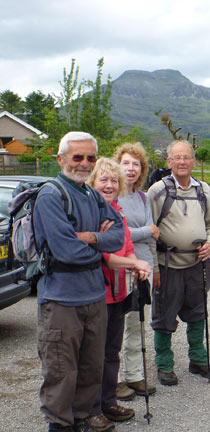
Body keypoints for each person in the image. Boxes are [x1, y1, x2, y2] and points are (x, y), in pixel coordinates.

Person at [33, 132, 124, 432]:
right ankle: (60, 425)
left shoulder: (92, 194)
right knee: (61, 369)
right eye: (77, 157)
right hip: (61, 299)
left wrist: (91, 237)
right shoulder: (51, 195)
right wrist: (99, 242)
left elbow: (118, 236)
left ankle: (85, 416)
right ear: (60, 159)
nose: (84, 164)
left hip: (94, 295)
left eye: (90, 158)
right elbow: (66, 251)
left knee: (90, 365)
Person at [148, 140, 210, 386]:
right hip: (168, 265)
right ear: (168, 162)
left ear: (193, 162)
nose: (182, 162)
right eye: (176, 158)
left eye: (186, 157)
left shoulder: (204, 190)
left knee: (197, 313)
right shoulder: (158, 191)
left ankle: (198, 360)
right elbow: (149, 230)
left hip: (196, 264)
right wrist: (154, 268)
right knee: (164, 317)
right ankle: (165, 365)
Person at [86, 158, 151, 431]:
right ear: (93, 182)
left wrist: (137, 262)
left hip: (119, 291)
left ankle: (109, 402)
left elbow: (125, 247)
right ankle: (91, 409)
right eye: (104, 180)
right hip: (98, 292)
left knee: (112, 351)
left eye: (114, 180)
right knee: (93, 354)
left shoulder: (118, 211)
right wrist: (134, 264)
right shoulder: (91, 213)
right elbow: (104, 255)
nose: (110, 185)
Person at [113, 143, 158, 400]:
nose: (131, 169)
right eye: (126, 163)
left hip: (142, 270)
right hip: (121, 269)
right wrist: (144, 232)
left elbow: (152, 233)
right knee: (118, 326)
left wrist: (154, 266)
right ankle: (116, 378)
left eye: (136, 164)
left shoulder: (143, 198)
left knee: (137, 325)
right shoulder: (111, 196)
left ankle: (134, 375)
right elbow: (117, 234)